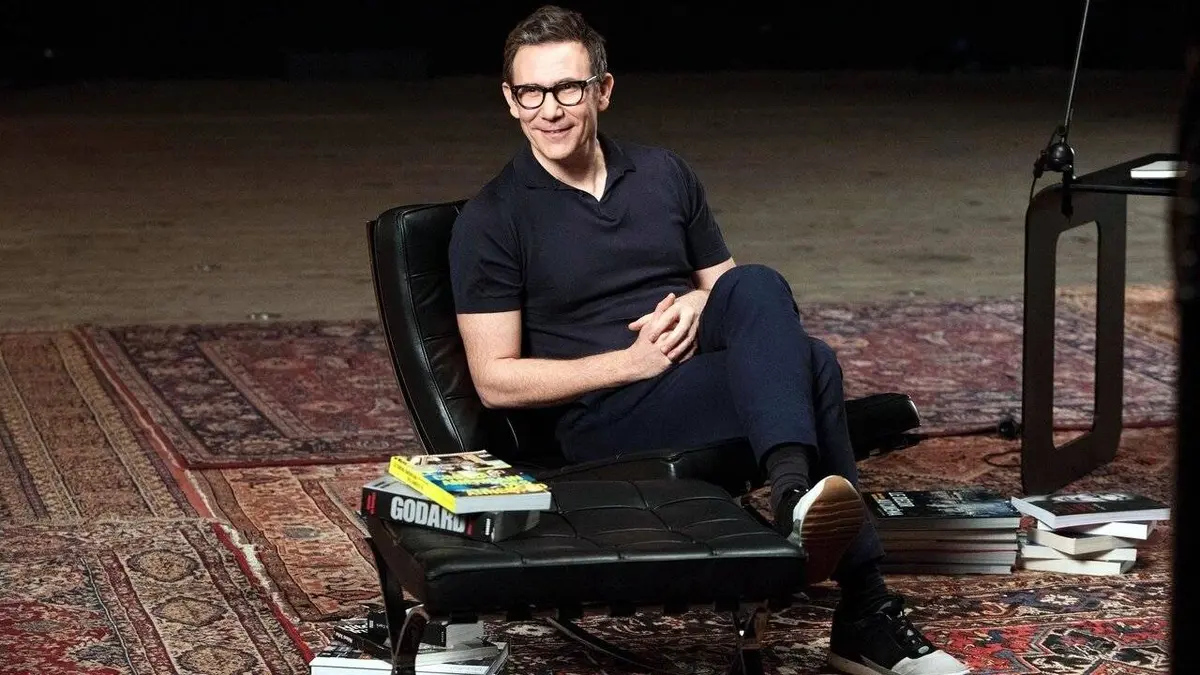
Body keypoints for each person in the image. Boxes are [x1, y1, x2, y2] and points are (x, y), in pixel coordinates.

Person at [448, 5, 970, 675]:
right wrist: (629, 363)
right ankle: (860, 605)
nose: (549, 110)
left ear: (603, 90)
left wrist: (698, 302)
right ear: (509, 99)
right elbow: (495, 378)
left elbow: (736, 294)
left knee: (759, 282)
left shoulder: (664, 173)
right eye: (531, 92)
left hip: (695, 373)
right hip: (605, 415)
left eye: (568, 88)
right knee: (813, 363)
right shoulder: (493, 218)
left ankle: (792, 499)